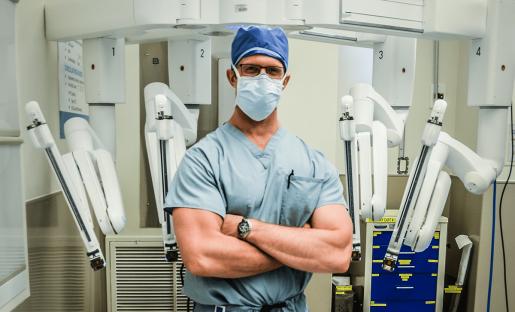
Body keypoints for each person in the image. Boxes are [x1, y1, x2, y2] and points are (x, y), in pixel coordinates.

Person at [164, 25, 353, 312]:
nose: (263, 78)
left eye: (273, 71)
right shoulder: (202, 160)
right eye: (251, 69)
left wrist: (247, 229)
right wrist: (299, 247)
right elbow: (202, 256)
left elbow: (338, 254)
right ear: (232, 76)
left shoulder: (314, 163)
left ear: (285, 80)